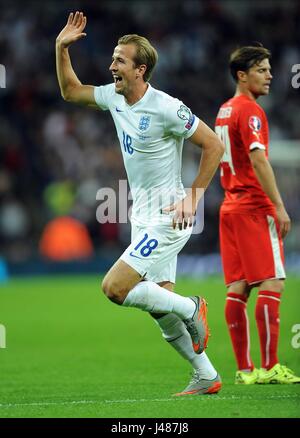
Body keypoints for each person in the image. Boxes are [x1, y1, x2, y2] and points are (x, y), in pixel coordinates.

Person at [56, 11, 225, 395]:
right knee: (158, 305)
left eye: (119, 60)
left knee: (114, 288)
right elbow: (70, 91)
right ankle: (206, 375)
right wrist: (60, 48)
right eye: (113, 58)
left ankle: (192, 307)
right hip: (141, 214)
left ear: (140, 70)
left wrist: (193, 196)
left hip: (171, 214)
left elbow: (214, 144)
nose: (111, 65)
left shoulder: (166, 107)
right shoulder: (114, 98)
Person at [215, 45, 300, 384]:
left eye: (268, 69)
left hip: (230, 206)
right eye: (262, 70)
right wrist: (278, 205)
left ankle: (245, 370)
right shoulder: (250, 111)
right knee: (273, 281)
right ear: (242, 74)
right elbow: (258, 158)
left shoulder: (223, 110)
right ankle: (270, 366)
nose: (269, 75)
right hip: (253, 205)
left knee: (238, 287)